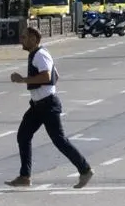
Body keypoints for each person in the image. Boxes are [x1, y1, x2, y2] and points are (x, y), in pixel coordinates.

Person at [6, 27, 94, 189]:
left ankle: (85, 170)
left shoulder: (40, 54)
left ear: (33, 39)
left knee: (59, 140)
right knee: (23, 135)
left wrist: (23, 80)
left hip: (47, 105)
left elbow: (47, 76)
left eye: (24, 37)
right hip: (37, 106)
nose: (21, 40)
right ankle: (25, 176)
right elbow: (56, 75)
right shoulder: (36, 54)